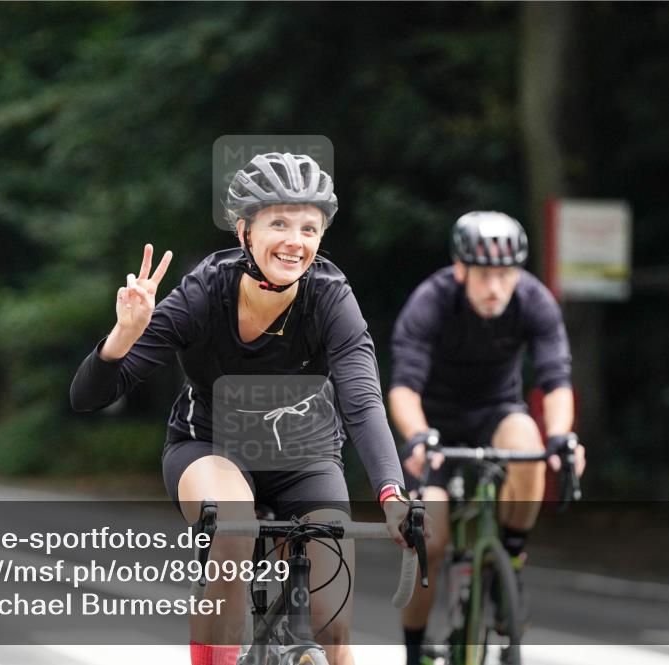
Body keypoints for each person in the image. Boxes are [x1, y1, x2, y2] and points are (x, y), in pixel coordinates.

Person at [71, 152, 415, 665]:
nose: (295, 241)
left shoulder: (331, 300)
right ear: (245, 232)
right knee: (235, 528)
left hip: (305, 456)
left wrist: (392, 492)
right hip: (209, 449)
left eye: (309, 227)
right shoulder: (203, 292)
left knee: (333, 625)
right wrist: (124, 333)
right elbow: (90, 395)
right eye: (279, 222)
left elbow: (363, 403)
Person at [388, 211, 586, 665]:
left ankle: (511, 560)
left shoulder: (533, 300)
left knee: (529, 441)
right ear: (461, 270)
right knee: (429, 544)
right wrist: (418, 438)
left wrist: (561, 438)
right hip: (433, 428)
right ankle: (415, 649)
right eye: (484, 276)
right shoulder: (431, 301)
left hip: (496, 415)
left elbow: (556, 379)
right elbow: (403, 388)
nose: (496, 287)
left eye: (506, 274)